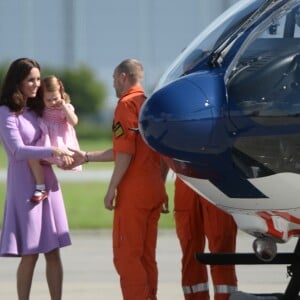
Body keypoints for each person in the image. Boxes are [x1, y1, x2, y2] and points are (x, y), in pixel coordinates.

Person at [69, 58, 168, 300]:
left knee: (126, 256)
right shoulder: (150, 105)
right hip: (154, 189)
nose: (113, 84)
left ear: (123, 76)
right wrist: (87, 157)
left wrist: (112, 187)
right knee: (146, 255)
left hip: (134, 193)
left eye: (114, 78)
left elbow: (125, 152)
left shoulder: (126, 105)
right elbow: (162, 151)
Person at [0, 58, 73, 300]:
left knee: (53, 252)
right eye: (30, 79)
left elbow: (63, 125)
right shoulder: (6, 111)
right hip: (25, 187)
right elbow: (17, 151)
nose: (36, 84)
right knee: (29, 253)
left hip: (48, 183)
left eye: (38, 79)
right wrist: (52, 151)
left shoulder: (36, 108)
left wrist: (65, 153)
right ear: (17, 81)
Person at [174, 176, 238, 300]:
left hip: (218, 177)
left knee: (222, 253)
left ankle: (225, 298)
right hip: (185, 178)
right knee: (190, 251)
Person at [28, 75, 81, 203]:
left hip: (61, 141)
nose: (52, 102)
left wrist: (63, 106)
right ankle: (40, 187)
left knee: (65, 162)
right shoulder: (43, 108)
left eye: (55, 98)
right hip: (46, 141)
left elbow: (74, 122)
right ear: (42, 98)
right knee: (32, 157)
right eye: (48, 100)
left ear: (61, 94)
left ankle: (48, 185)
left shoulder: (65, 107)